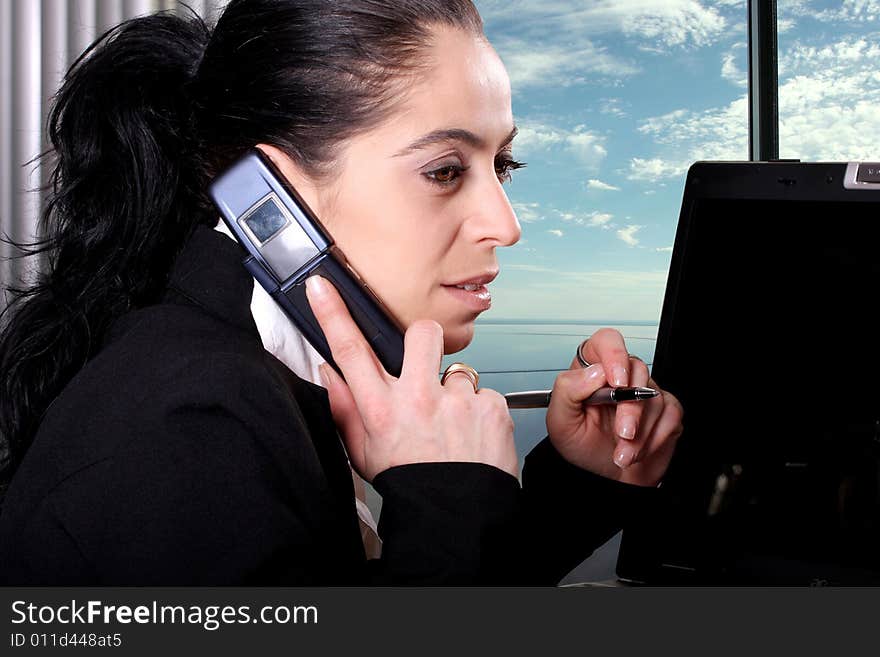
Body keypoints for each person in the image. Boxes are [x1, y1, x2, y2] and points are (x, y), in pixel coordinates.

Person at [0, 0, 683, 585]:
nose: (506, 223)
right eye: (446, 169)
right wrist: (446, 495)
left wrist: (580, 482)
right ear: (265, 197)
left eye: (502, 165)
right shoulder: (189, 427)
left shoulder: (262, 375)